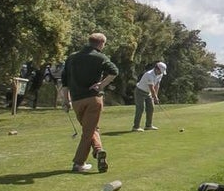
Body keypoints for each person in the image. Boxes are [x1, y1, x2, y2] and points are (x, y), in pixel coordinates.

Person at [60, 32, 118, 174]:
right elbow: (114, 71)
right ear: (101, 44)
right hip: (93, 99)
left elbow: (64, 81)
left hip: (77, 101)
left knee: (90, 128)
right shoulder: (99, 57)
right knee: (89, 131)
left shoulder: (72, 57)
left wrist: (65, 100)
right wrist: (101, 85)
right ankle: (79, 163)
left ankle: (98, 151)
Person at [132, 61, 167, 131]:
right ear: (156, 69)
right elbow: (151, 87)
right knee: (140, 108)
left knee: (151, 108)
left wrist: (156, 96)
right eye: (160, 71)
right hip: (140, 92)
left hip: (148, 93)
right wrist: (155, 97)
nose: (161, 73)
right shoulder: (149, 74)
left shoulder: (160, 74)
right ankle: (136, 127)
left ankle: (148, 125)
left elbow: (157, 85)